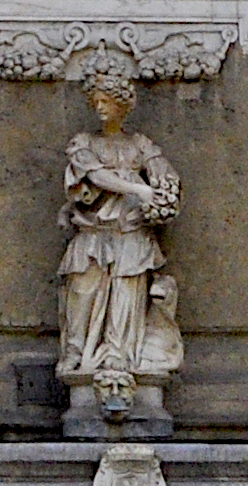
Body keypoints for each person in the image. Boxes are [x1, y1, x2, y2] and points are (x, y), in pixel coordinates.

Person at [56, 58, 182, 427]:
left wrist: (163, 188)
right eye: (95, 101)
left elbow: (165, 174)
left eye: (106, 101)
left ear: (122, 103)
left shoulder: (140, 145)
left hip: (131, 238)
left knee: (127, 304)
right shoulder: (83, 143)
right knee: (82, 295)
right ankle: (81, 359)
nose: (99, 107)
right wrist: (140, 189)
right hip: (93, 237)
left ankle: (120, 362)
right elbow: (94, 175)